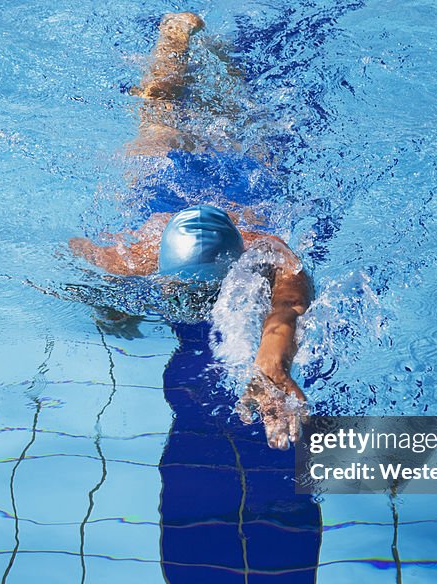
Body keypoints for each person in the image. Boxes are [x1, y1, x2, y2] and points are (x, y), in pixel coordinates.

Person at [69, 12, 312, 450]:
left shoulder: (269, 251)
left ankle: (195, 44)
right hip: (174, 180)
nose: (197, 303)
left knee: (190, 113)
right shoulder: (133, 256)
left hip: (224, 179)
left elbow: (289, 306)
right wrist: (102, 299)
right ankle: (183, 39)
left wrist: (272, 365)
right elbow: (76, 251)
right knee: (176, 113)